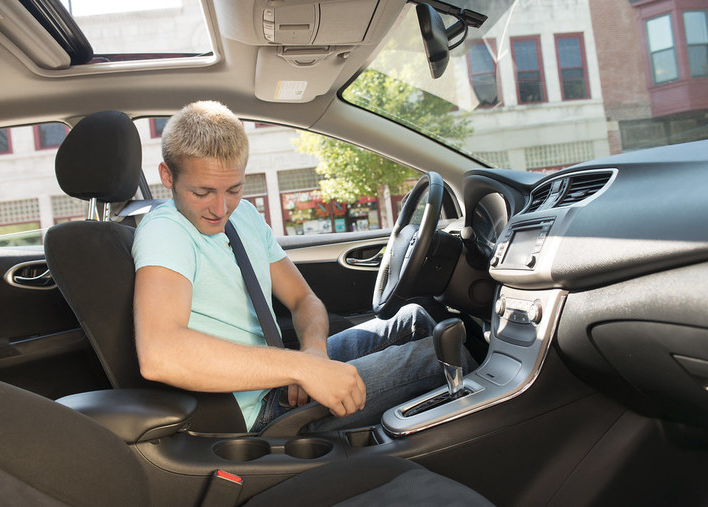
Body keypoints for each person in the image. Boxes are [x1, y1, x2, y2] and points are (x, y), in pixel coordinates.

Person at [132, 101, 475, 432]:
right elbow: (160, 353)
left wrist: (314, 352)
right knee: (445, 355)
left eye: (233, 189)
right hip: (257, 412)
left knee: (415, 320)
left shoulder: (245, 217)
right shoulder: (166, 230)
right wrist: (300, 368)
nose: (221, 209)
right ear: (167, 175)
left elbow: (303, 300)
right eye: (203, 192)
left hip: (279, 375)